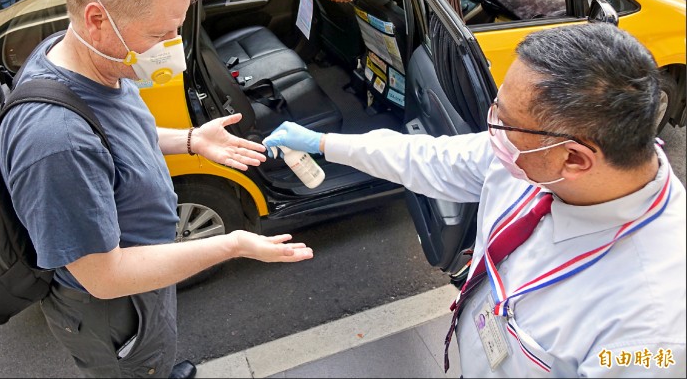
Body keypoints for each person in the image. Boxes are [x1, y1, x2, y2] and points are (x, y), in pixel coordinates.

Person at [263, 23, 686, 377]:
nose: (492, 127)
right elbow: (430, 159)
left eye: (505, 119)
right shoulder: (538, 162)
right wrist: (324, 142)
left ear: (574, 158)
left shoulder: (650, 326)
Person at [0, 0, 313, 379]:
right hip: (114, 303)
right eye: (158, 33)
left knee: (155, 353)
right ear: (96, 19)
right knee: (136, 366)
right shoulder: (55, 142)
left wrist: (190, 140)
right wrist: (232, 244)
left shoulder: (84, 56)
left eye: (176, 30)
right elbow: (103, 276)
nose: (170, 48)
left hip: (144, 272)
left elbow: (115, 136)